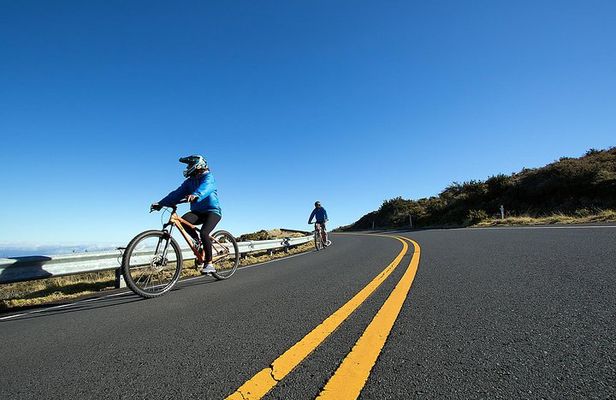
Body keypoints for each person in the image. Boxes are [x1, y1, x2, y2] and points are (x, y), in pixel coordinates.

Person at [150, 155, 222, 275]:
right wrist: (161, 203)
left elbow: (206, 187)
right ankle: (198, 242)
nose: (187, 167)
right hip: (198, 212)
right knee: (184, 221)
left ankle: (209, 263)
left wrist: (196, 194)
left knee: (204, 233)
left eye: (189, 165)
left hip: (212, 211)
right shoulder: (189, 182)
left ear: (197, 165)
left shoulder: (209, 177)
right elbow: (176, 194)